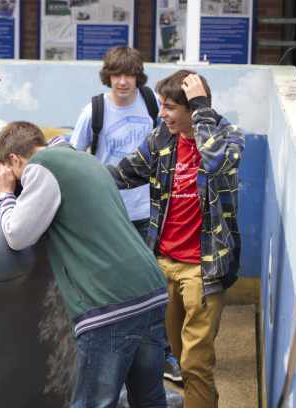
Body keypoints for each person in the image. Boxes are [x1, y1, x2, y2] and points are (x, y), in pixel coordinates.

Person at [0, 122, 174, 408]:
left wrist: (4, 195)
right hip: (149, 291)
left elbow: (17, 234)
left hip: (108, 305)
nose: (16, 181)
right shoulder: (86, 160)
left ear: (15, 159)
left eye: (11, 172)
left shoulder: (43, 168)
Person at [107, 70, 244, 408]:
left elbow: (218, 163)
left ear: (192, 109)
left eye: (170, 107)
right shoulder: (161, 140)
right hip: (164, 263)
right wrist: (70, 170)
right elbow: (124, 172)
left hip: (205, 269)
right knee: (182, 361)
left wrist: (203, 110)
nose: (161, 114)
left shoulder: (225, 136)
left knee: (196, 363)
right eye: (162, 106)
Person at [71, 46, 183, 384]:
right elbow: (76, 160)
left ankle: (162, 355)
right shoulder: (94, 111)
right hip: (110, 213)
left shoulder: (151, 104)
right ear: (108, 76)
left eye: (129, 75)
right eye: (117, 75)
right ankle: (115, 357)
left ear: (138, 76)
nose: (123, 82)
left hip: (150, 211)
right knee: (113, 286)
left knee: (153, 284)